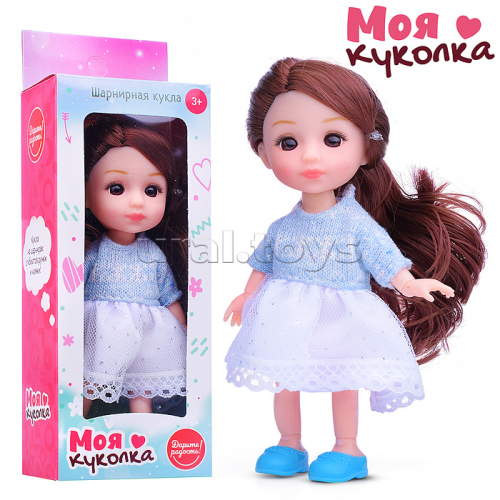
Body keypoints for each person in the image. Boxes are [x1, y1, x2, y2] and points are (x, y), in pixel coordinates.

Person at [224, 58, 486, 483]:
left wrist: (410, 283)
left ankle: (347, 448)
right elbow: (263, 264)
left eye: (333, 139)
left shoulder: (356, 224)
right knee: (282, 380)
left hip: (342, 318)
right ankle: (289, 443)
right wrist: (246, 296)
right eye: (288, 142)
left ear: (366, 148)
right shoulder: (283, 226)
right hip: (286, 317)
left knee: (344, 380)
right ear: (263, 153)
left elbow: (386, 262)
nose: (310, 155)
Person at [83, 115, 188, 418]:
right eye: (116, 188)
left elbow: (168, 295)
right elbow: (73, 288)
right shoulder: (96, 251)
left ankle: (144, 426)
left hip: (150, 334)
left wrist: (183, 329)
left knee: (143, 386)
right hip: (104, 332)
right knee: (92, 380)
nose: (138, 202)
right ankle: (79, 420)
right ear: (87, 194)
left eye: (151, 190)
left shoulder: (152, 253)